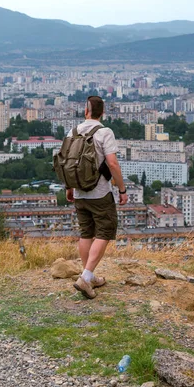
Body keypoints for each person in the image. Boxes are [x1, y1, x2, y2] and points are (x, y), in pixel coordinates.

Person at [66, 95, 128, 299]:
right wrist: (122, 189)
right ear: (103, 113)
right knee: (104, 231)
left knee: (86, 233)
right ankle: (85, 278)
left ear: (86, 112)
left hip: (80, 192)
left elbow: (67, 162)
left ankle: (88, 275)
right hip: (100, 193)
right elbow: (112, 164)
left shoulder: (73, 131)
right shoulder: (104, 132)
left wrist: (69, 187)